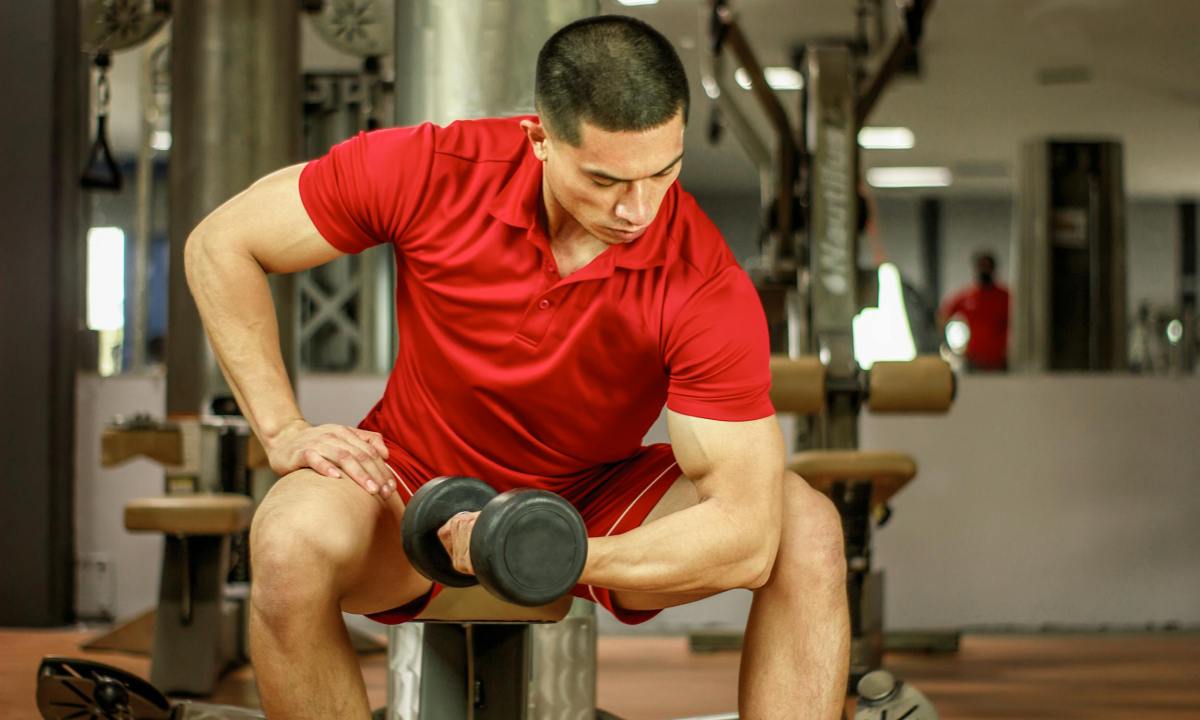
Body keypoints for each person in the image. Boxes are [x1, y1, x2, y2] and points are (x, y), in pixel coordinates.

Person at [185, 15, 847, 719]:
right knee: (286, 540)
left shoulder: (702, 279)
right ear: (538, 138)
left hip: (587, 504)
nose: (638, 208)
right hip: (411, 485)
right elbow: (222, 244)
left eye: (665, 171)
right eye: (605, 179)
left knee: (804, 526)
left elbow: (745, 538)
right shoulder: (434, 170)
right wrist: (282, 429)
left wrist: (550, 550)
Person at [939, 251, 1011, 371]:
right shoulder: (967, 296)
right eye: (982, 266)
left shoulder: (1006, 297)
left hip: (999, 361)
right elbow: (943, 317)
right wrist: (951, 347)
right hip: (973, 360)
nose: (985, 270)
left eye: (988, 267)